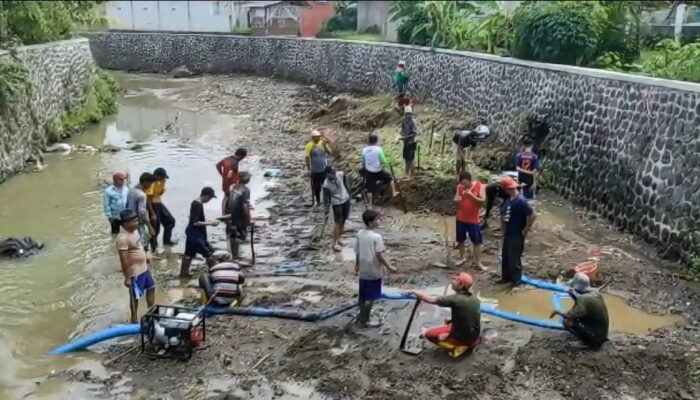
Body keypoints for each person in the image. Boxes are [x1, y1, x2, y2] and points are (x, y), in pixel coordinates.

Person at [406, 272, 481, 358]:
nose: (451, 281)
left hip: (464, 338)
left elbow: (431, 300)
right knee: (448, 320)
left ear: (461, 285)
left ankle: (457, 345)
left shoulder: (455, 299)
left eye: (455, 280)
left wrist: (414, 291)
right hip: (474, 335)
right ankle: (460, 339)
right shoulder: (475, 299)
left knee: (429, 334)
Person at [354, 209, 397, 327]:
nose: (379, 221)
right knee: (370, 297)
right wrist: (389, 266)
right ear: (370, 223)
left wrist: (357, 264)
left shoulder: (360, 234)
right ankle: (365, 320)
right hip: (373, 270)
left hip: (363, 269)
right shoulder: (376, 237)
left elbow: (357, 251)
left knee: (362, 294)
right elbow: (379, 255)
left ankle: (361, 315)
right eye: (377, 219)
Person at [550, 273, 609, 349]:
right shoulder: (595, 292)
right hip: (602, 334)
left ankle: (587, 342)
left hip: (596, 338)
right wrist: (573, 295)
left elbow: (569, 315)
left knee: (567, 321)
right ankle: (589, 336)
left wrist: (557, 312)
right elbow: (583, 307)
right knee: (577, 318)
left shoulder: (583, 299)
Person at [116, 209, 156, 323]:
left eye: (137, 220)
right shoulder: (123, 238)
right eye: (134, 221)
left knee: (151, 287)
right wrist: (127, 277)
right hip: (135, 271)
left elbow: (141, 244)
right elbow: (124, 259)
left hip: (144, 267)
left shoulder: (135, 231)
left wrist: (147, 256)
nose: (137, 223)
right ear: (125, 223)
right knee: (135, 296)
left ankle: (151, 312)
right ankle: (134, 319)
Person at [499, 176, 536, 284]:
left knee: (514, 259)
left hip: (516, 234)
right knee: (506, 257)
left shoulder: (520, 201)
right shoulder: (509, 199)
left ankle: (516, 281)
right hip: (508, 233)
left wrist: (526, 229)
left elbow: (533, 215)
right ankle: (506, 278)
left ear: (507, 189)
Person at [181, 187, 220, 278]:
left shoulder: (196, 203)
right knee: (209, 253)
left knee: (188, 254)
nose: (209, 200)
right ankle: (215, 274)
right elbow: (195, 222)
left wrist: (206, 221)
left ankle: (183, 273)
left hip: (191, 233)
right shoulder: (197, 205)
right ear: (206, 196)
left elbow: (193, 219)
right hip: (195, 235)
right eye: (210, 198)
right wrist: (210, 223)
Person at [454, 172, 486, 270]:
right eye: (462, 183)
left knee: (476, 241)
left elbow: (482, 201)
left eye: (465, 183)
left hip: (473, 220)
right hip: (460, 218)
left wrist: (471, 195)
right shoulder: (459, 187)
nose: (463, 186)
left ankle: (478, 262)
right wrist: (456, 200)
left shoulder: (480, 186)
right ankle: (462, 257)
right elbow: (456, 199)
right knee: (460, 239)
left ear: (470, 180)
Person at [361, 134, 398, 209]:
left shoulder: (364, 150)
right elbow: (384, 161)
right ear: (376, 141)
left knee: (369, 189)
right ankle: (393, 192)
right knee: (390, 178)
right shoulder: (379, 149)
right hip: (378, 170)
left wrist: (364, 170)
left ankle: (370, 205)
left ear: (369, 141)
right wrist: (385, 164)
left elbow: (363, 162)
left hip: (369, 171)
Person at [322, 165, 350, 252]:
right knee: (337, 222)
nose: (333, 175)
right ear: (327, 174)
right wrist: (326, 209)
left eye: (334, 173)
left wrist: (349, 195)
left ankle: (339, 238)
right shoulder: (326, 185)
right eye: (331, 174)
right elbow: (326, 199)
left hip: (345, 199)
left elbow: (346, 185)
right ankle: (334, 243)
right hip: (337, 202)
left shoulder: (341, 175)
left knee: (344, 220)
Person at [126, 173, 156, 253]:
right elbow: (142, 212)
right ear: (145, 182)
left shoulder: (131, 190)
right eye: (150, 183)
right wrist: (149, 226)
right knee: (142, 242)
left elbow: (127, 205)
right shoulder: (141, 195)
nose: (151, 186)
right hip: (138, 222)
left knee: (133, 242)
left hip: (128, 221)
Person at [149, 167, 177, 249]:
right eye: (162, 177)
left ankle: (167, 242)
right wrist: (152, 213)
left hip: (158, 202)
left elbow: (160, 192)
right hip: (150, 204)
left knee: (170, 221)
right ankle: (154, 247)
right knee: (155, 227)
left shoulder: (162, 181)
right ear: (156, 176)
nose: (163, 179)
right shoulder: (149, 183)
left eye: (164, 177)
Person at [226, 171, 252, 259]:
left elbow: (227, 201)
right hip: (239, 217)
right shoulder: (246, 190)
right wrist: (249, 220)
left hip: (230, 216)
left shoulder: (233, 187)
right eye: (248, 178)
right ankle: (236, 256)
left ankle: (234, 255)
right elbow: (245, 207)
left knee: (233, 236)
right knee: (240, 236)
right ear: (246, 179)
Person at [304, 130, 332, 207]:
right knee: (316, 187)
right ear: (312, 138)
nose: (318, 138)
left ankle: (327, 201)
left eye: (319, 137)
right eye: (316, 137)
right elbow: (307, 158)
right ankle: (318, 201)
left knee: (326, 185)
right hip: (315, 170)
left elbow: (330, 153)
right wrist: (308, 168)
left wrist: (326, 145)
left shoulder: (322, 143)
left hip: (323, 168)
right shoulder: (309, 146)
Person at [216, 148, 247, 214]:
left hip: (225, 181)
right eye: (243, 157)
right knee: (228, 196)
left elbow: (218, 165)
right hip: (230, 183)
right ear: (241, 156)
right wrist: (229, 179)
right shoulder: (234, 162)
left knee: (226, 196)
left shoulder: (227, 159)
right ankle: (225, 212)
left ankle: (224, 212)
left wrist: (222, 174)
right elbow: (229, 174)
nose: (242, 159)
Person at [399, 105, 418, 180]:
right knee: (406, 158)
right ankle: (406, 173)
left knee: (411, 159)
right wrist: (401, 135)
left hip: (411, 142)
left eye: (409, 113)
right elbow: (403, 129)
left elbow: (414, 133)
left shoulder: (413, 121)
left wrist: (404, 137)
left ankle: (412, 175)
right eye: (407, 113)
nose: (408, 115)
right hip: (405, 142)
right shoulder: (403, 120)